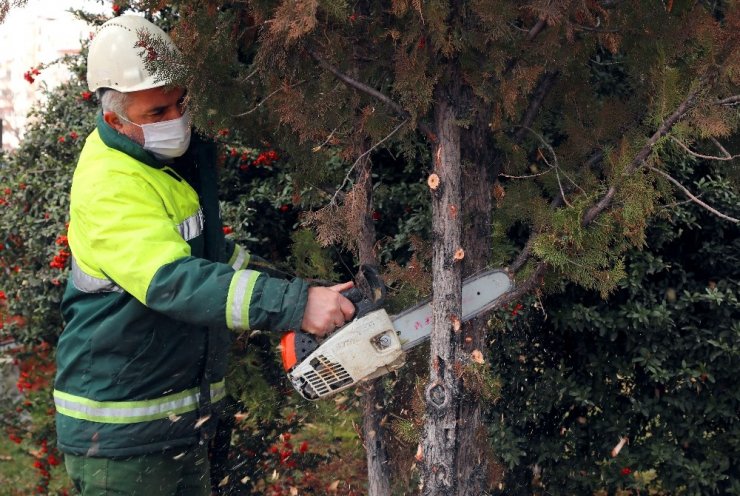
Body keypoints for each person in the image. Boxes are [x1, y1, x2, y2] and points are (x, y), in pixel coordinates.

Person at [53, 15, 355, 495]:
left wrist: (302, 292)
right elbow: (174, 282)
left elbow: (214, 261)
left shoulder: (160, 167)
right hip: (121, 437)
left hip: (176, 424)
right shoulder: (109, 184)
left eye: (179, 104)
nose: (175, 119)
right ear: (115, 120)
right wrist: (293, 306)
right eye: (157, 113)